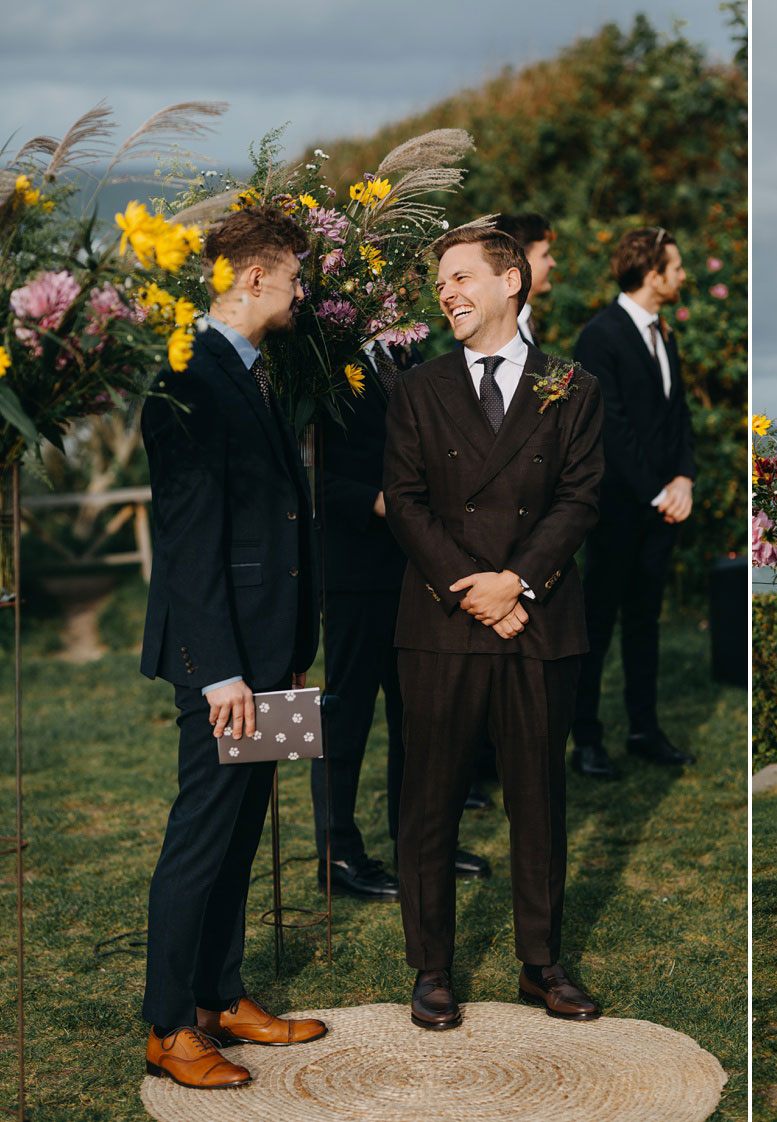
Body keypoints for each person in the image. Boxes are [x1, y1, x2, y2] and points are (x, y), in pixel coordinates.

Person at [383, 223, 605, 1029]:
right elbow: (403, 501)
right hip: (441, 622)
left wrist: (517, 583)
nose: (447, 293)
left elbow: (581, 498)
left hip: (539, 621)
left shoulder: (574, 384)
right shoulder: (418, 387)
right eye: (440, 281)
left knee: (539, 799)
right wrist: (468, 587)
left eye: (462, 276)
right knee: (430, 799)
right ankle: (431, 968)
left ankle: (542, 963)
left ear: (513, 283)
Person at [139, 206, 327, 1088]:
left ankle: (220, 996)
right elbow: (185, 540)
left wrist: (287, 647)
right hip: (221, 661)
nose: (302, 288)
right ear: (254, 278)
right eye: (293, 274)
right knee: (203, 836)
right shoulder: (189, 374)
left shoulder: (250, 371)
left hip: (266, 648)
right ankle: (170, 1024)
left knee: (244, 833)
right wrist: (218, 672)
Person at [310, 334, 491, 903]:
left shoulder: (401, 358)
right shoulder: (320, 361)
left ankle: (419, 844)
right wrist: (382, 502)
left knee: (419, 715)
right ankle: (338, 856)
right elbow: (306, 471)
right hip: (354, 568)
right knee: (347, 719)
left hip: (412, 566)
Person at [569, 226, 696, 780]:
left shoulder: (664, 334)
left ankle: (644, 729)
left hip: (663, 506)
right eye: (677, 265)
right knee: (596, 626)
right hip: (617, 508)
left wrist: (685, 479)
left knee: (645, 621)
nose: (684, 274)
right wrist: (657, 490)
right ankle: (587, 739)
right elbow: (610, 428)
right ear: (652, 274)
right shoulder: (600, 335)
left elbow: (678, 417)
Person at [494, 212, 556, 349]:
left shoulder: (525, 322)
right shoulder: (495, 335)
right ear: (521, 261)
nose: (552, 263)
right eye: (544, 255)